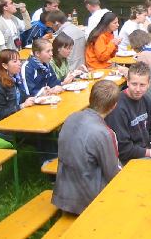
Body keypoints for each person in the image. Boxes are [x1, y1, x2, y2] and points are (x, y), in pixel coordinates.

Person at [52, 80, 122, 215]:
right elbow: (112, 173)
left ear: (90, 98)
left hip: (63, 195)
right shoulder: (105, 133)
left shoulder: (71, 118)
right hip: (88, 201)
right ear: (113, 106)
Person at [105, 62, 151, 164]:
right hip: (129, 159)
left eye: (142, 85)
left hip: (147, 148)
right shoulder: (117, 107)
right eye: (134, 84)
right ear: (127, 82)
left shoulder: (145, 99)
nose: (137, 89)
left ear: (149, 84)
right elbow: (124, 149)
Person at [0, 49, 35, 141]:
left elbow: (22, 97)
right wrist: (22, 106)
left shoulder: (15, 78)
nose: (19, 63)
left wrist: (37, 97)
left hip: (14, 120)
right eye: (15, 61)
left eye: (19, 60)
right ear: (5, 65)